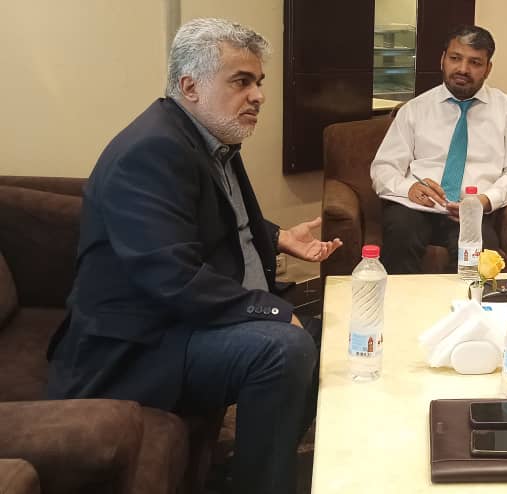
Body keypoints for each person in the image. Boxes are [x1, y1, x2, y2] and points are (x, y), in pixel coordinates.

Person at [46, 18, 340, 494]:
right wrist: (268, 310)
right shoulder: (151, 151)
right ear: (190, 87)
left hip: (180, 322)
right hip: (142, 345)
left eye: (259, 82)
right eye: (241, 82)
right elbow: (171, 275)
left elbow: (203, 218)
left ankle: (271, 455)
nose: (259, 96)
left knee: (329, 332)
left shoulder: (207, 137)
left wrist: (276, 235)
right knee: (284, 347)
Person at [370, 25, 507, 274]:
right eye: (455, 58)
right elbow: (383, 168)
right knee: (401, 232)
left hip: (473, 210)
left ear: (488, 68)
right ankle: (400, 300)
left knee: (481, 262)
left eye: (475, 62)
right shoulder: (415, 109)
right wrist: (407, 188)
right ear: (443, 60)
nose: (463, 69)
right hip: (416, 209)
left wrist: (485, 200)